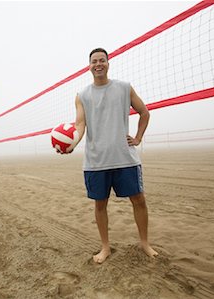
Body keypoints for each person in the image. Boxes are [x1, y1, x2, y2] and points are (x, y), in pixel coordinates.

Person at [58, 48, 158, 264]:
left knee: (139, 200)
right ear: (89, 66)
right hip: (96, 161)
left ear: (108, 63)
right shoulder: (82, 95)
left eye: (102, 60)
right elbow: (80, 124)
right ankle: (105, 247)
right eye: (94, 61)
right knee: (100, 205)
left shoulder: (124, 88)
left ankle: (145, 244)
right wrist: (72, 143)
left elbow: (145, 112)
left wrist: (138, 137)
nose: (98, 64)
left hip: (125, 158)